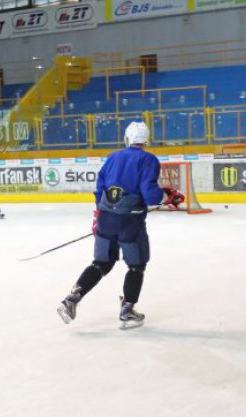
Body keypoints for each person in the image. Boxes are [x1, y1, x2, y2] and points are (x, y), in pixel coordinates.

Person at [56, 121, 176, 329]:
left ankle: (73, 298)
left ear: (127, 138)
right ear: (146, 140)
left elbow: (100, 188)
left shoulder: (113, 157)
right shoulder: (148, 159)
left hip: (106, 219)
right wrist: (167, 194)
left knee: (101, 263)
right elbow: (150, 195)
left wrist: (98, 215)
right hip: (130, 222)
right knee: (136, 266)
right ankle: (127, 310)